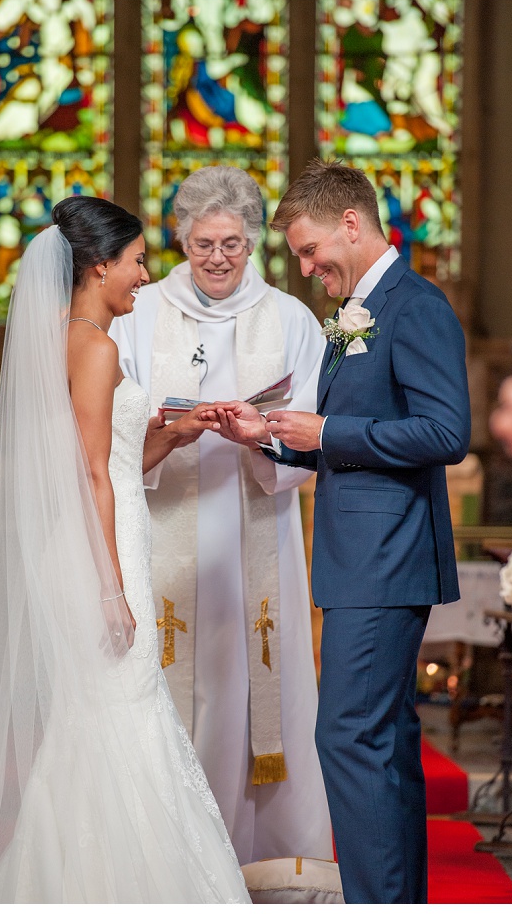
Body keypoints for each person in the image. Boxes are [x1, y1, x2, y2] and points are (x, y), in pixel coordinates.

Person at [0, 195, 251, 903]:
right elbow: (92, 473)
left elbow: (112, 459)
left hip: (93, 538)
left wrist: (171, 435)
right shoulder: (95, 343)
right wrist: (111, 587)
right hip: (100, 549)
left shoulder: (65, 335)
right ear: (98, 265)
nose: (146, 275)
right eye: (137, 259)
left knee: (95, 716)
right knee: (124, 708)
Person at [208, 159, 472, 903]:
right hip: (364, 559)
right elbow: (342, 436)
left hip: (387, 557)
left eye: (308, 247)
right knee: (381, 740)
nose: (304, 266)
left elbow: (447, 430)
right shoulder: (360, 309)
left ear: (351, 223)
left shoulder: (413, 305)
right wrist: (267, 435)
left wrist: (328, 428)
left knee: (348, 736)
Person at [110, 165, 333, 865]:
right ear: (181, 239)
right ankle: (168, 853)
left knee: (249, 683)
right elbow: (112, 426)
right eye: (204, 242)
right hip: (164, 525)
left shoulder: (291, 319)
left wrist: (257, 431)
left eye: (232, 243)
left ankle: (255, 853)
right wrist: (171, 428)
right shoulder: (141, 313)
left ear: (254, 241)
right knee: (172, 678)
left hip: (253, 529)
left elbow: (315, 430)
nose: (217, 258)